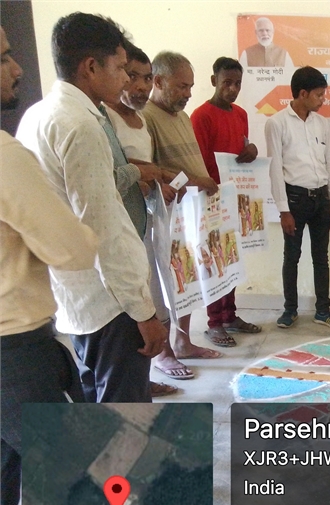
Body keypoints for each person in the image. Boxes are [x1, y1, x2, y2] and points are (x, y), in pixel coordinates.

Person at [16, 13, 168, 405]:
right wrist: (142, 310)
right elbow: (103, 226)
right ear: (90, 67)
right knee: (125, 418)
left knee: (97, 408)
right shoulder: (81, 127)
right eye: (120, 68)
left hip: (74, 297)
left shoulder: (39, 115)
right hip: (110, 303)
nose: (126, 79)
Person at [0, 26, 98, 505]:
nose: (16, 68)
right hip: (14, 352)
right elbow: (71, 248)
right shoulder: (4, 156)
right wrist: (85, 231)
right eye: (3, 57)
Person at [105, 41, 195, 385]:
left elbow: (150, 165)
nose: (140, 86)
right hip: (123, 221)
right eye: (132, 76)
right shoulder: (105, 119)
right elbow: (116, 169)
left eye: (145, 77)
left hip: (151, 218)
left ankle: (157, 361)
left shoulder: (141, 120)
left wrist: (160, 179)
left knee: (161, 285)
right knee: (138, 293)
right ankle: (157, 360)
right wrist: (150, 177)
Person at [142, 50, 223, 357]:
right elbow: (152, 172)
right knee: (165, 285)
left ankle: (183, 342)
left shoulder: (184, 118)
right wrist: (196, 181)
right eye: (182, 86)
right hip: (166, 218)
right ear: (158, 81)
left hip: (193, 215)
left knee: (186, 282)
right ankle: (164, 354)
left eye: (190, 86)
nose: (188, 93)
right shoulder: (146, 118)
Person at [265, 66, 330, 330]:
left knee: (321, 258)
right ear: (302, 93)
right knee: (292, 257)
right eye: (319, 95)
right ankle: (290, 310)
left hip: (320, 198)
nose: (323, 100)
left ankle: (323, 311)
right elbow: (275, 169)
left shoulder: (322, 123)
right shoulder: (276, 123)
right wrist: (283, 210)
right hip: (295, 200)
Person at [191, 56, 263, 347]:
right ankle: (214, 323)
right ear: (214, 81)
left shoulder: (241, 114)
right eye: (226, 83)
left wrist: (252, 149)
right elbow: (198, 161)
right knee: (215, 262)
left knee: (232, 258)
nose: (232, 89)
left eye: (237, 84)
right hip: (211, 199)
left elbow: (242, 150)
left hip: (237, 198)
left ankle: (230, 316)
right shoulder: (200, 116)